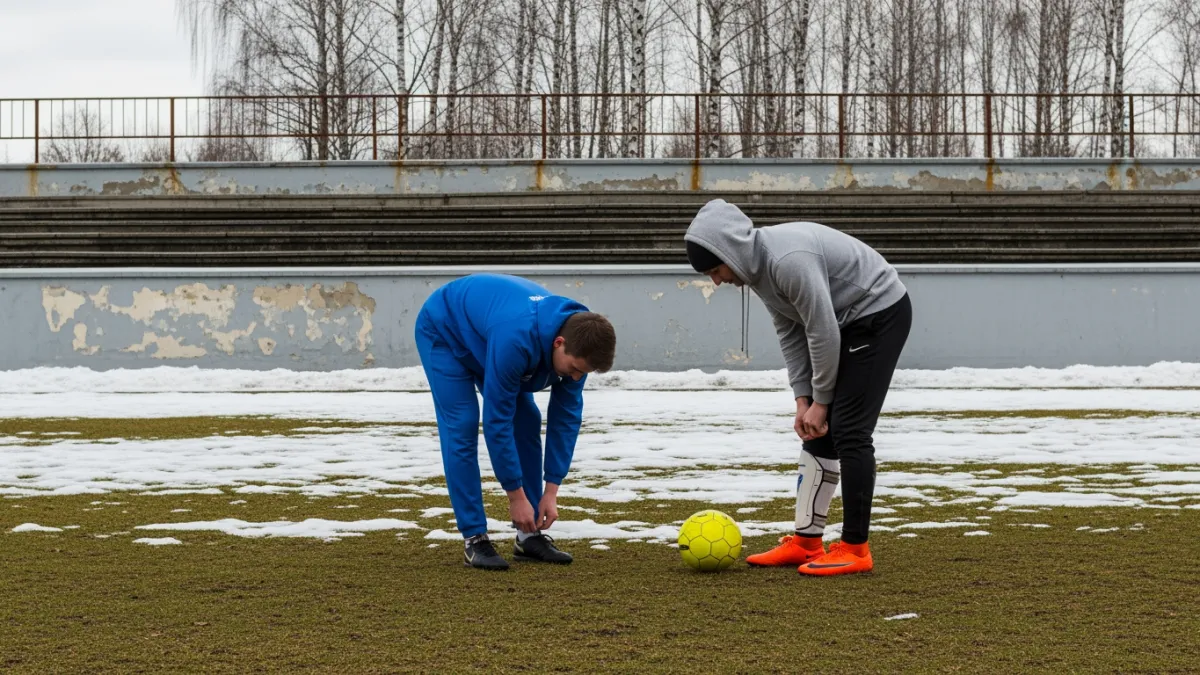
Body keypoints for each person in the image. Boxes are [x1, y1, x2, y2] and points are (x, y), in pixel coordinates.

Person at [684, 199, 912, 576]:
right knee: (815, 429)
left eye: (715, 268)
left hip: (878, 313)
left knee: (850, 429)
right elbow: (791, 331)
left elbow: (822, 330)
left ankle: (856, 549)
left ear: (731, 251)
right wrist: (803, 400)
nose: (717, 280)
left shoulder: (787, 260)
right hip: (842, 322)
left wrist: (822, 401)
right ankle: (807, 542)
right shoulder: (757, 270)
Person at [414, 273, 616, 571]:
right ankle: (474, 537)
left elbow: (566, 420)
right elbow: (497, 421)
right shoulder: (517, 340)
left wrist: (551, 491)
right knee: (463, 423)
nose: (575, 378)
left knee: (526, 419)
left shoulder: (581, 338)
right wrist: (515, 496)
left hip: (489, 334)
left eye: (582, 373)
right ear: (559, 343)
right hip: (445, 328)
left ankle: (528, 534)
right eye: (573, 369)